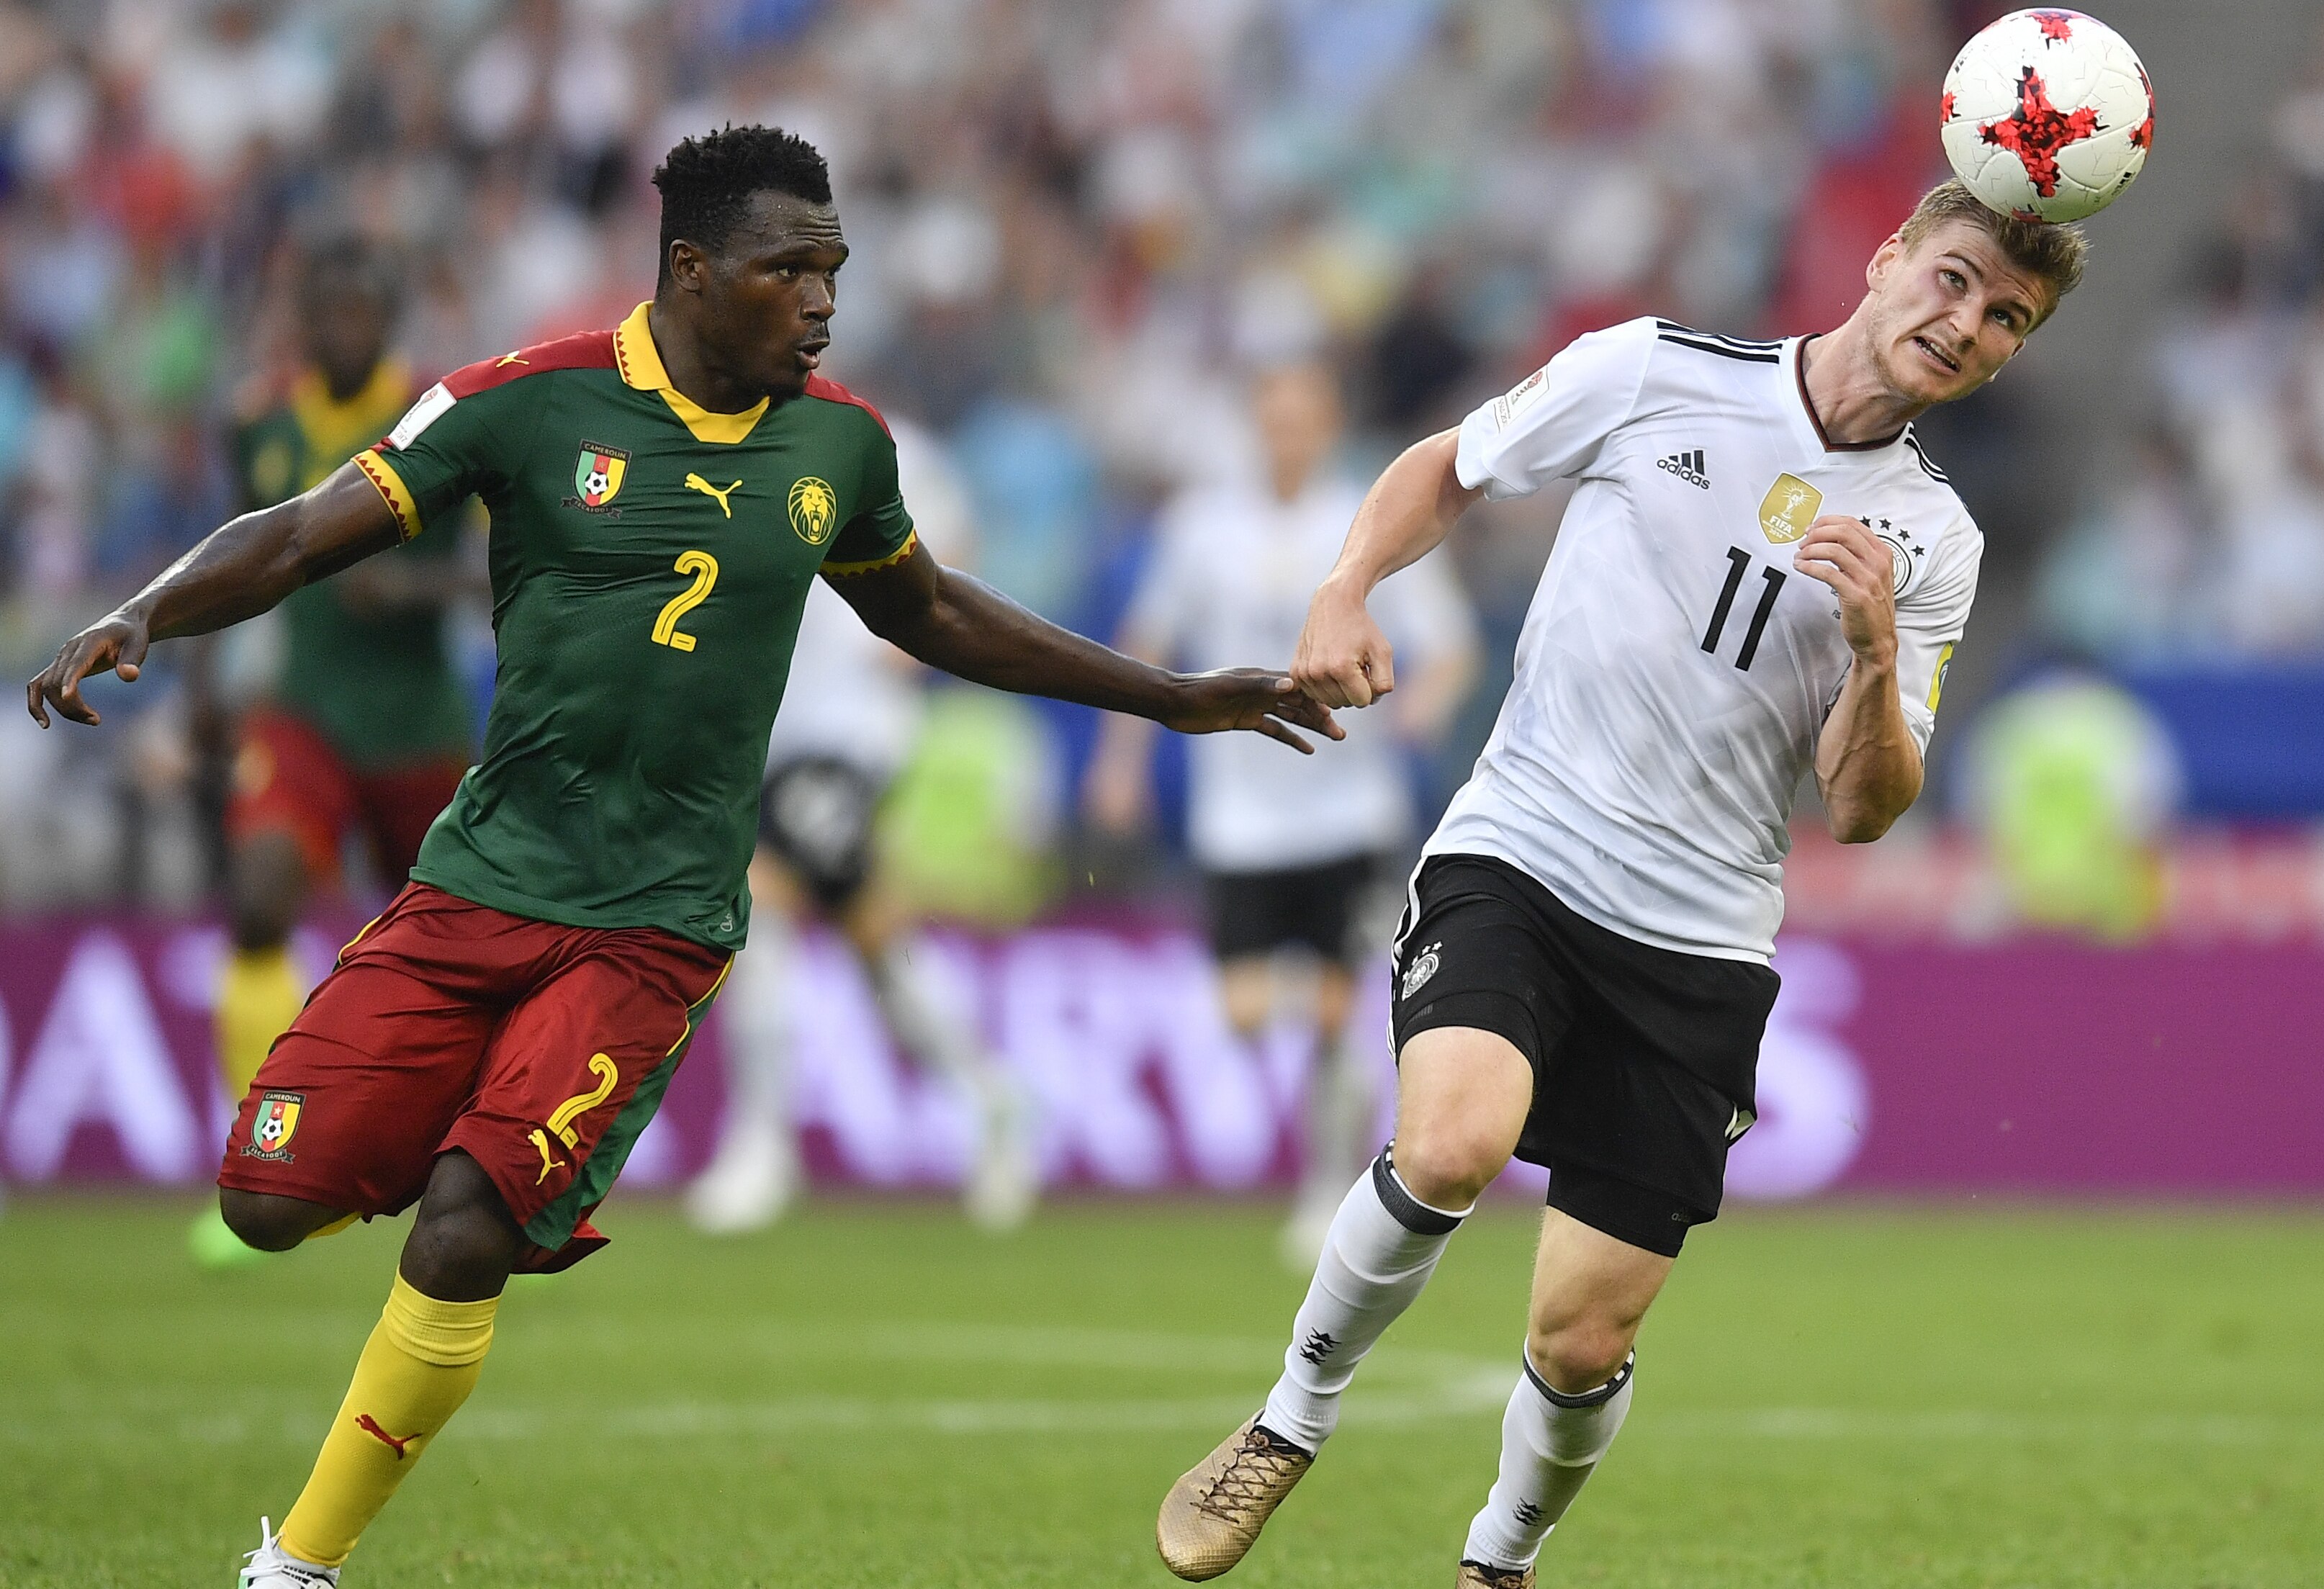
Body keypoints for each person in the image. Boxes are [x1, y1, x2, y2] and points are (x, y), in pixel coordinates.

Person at [26, 125, 1337, 1588]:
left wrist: (1173, 694)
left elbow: (937, 613)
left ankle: (299, 1563)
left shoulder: (840, 443)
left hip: (653, 925)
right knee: (264, 1201)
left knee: (463, 1231)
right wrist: (152, 606)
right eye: (793, 271)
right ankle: (465, 1136)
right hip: (477, 884)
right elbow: (299, 530)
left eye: (835, 270)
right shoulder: (524, 403)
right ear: (695, 271)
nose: (824, 300)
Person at [1154, 181, 2087, 1588]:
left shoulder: (1933, 545)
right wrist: (1344, 586)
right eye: (1954, 281)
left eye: (2005, 317)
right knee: (1453, 1140)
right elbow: (1449, 466)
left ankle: (1500, 1555)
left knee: (1582, 1337)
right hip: (1523, 845)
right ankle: (1290, 1416)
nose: (1966, 324)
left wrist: (1880, 656)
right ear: (1889, 260)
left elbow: (1865, 805)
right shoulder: (1654, 370)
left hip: (1702, 936)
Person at [1087, 361, 1477, 1265]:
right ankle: (1337, 999)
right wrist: (1121, 758)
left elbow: (1449, 646)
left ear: (1329, 425)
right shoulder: (1202, 528)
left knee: (1339, 1018)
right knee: (1247, 1012)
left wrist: (1426, 703)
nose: (1287, 435)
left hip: (1352, 807)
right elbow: (1151, 642)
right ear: (1253, 426)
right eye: (1273, 419)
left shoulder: (1373, 522)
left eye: (1304, 420)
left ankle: (1322, 1191)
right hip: (1242, 816)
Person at [192, 236, 482, 1270]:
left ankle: (444, 1155)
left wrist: (418, 588)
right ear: (304, 321)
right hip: (304, 708)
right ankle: (252, 1154)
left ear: (389, 318)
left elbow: (517, 568)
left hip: (418, 723)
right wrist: (198, 688)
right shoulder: (258, 418)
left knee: (458, 947)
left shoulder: (445, 411)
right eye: (329, 313)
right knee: (261, 897)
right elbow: (230, 553)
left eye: (363, 312)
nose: (344, 329)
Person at [686, 413, 1037, 1233]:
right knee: (876, 947)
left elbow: (958, 546)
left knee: (759, 909)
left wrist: (912, 640)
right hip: (772, 732)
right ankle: (997, 1102)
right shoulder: (735, 439)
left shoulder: (891, 443)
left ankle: (761, 1144)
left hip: (854, 733)